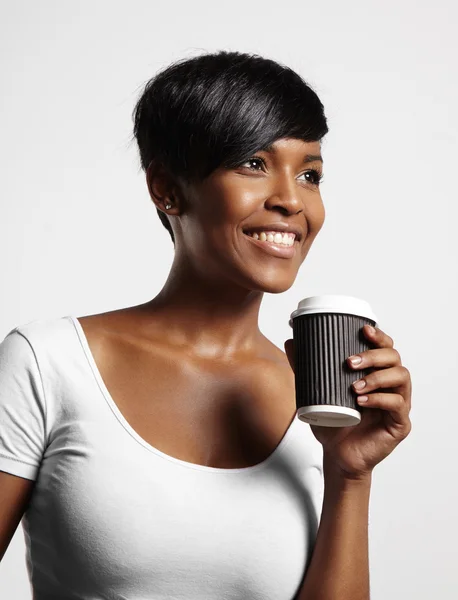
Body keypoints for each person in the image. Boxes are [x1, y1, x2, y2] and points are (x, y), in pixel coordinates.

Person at [0, 50, 412, 600]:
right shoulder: (48, 364)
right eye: (253, 163)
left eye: (310, 174)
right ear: (166, 189)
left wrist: (350, 473)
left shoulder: (322, 397)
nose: (292, 200)